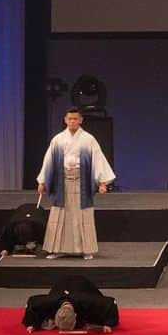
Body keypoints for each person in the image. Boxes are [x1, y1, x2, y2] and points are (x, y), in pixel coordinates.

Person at [36, 108, 115, 260]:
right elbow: (49, 161)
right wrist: (42, 181)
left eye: (75, 119)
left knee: (82, 215)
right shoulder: (58, 139)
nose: (72, 121)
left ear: (81, 120)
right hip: (62, 182)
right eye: (69, 119)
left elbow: (98, 160)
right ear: (65, 120)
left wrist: (102, 182)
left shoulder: (88, 139)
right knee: (61, 215)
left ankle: (86, 250)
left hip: (81, 182)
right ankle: (58, 249)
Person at [22, 274, 118, 333]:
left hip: (82, 285)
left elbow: (111, 302)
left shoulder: (89, 301)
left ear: (75, 315)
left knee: (93, 320)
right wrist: (31, 324)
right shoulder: (50, 301)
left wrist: (108, 324)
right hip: (62, 284)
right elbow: (31, 302)